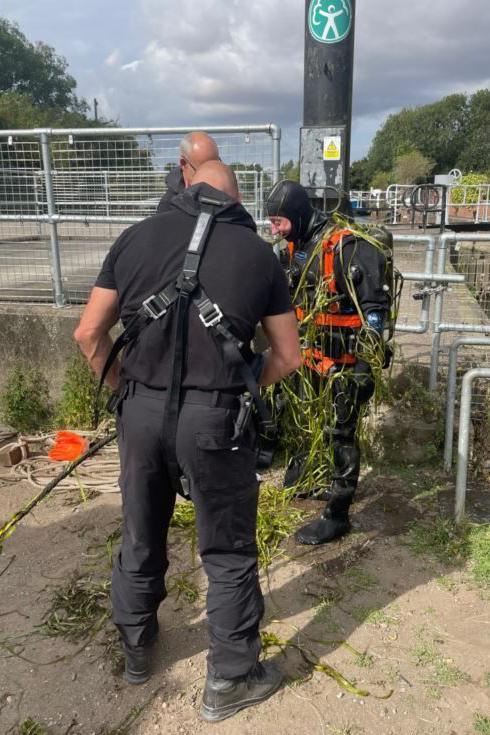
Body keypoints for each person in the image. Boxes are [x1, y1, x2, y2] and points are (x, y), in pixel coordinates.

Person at [74, 162, 301, 721]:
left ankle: (136, 648)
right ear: (233, 199)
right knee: (225, 550)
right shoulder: (258, 255)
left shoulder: (134, 238)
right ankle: (229, 677)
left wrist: (123, 388)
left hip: (140, 409)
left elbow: (87, 333)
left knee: (141, 528)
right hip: (215, 416)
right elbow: (289, 356)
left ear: (185, 189)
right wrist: (243, 387)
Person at [266, 180, 391, 546]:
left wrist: (363, 369)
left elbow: (375, 312)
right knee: (309, 419)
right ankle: (312, 476)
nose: (274, 228)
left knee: (341, 433)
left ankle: (337, 514)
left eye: (278, 221)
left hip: (349, 362)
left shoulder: (349, 247)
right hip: (313, 357)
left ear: (298, 214)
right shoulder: (294, 247)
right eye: (272, 221)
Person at [156, 131, 220, 214]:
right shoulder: (169, 206)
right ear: (184, 164)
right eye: (202, 171)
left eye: (215, 167)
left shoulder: (225, 191)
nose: (210, 177)